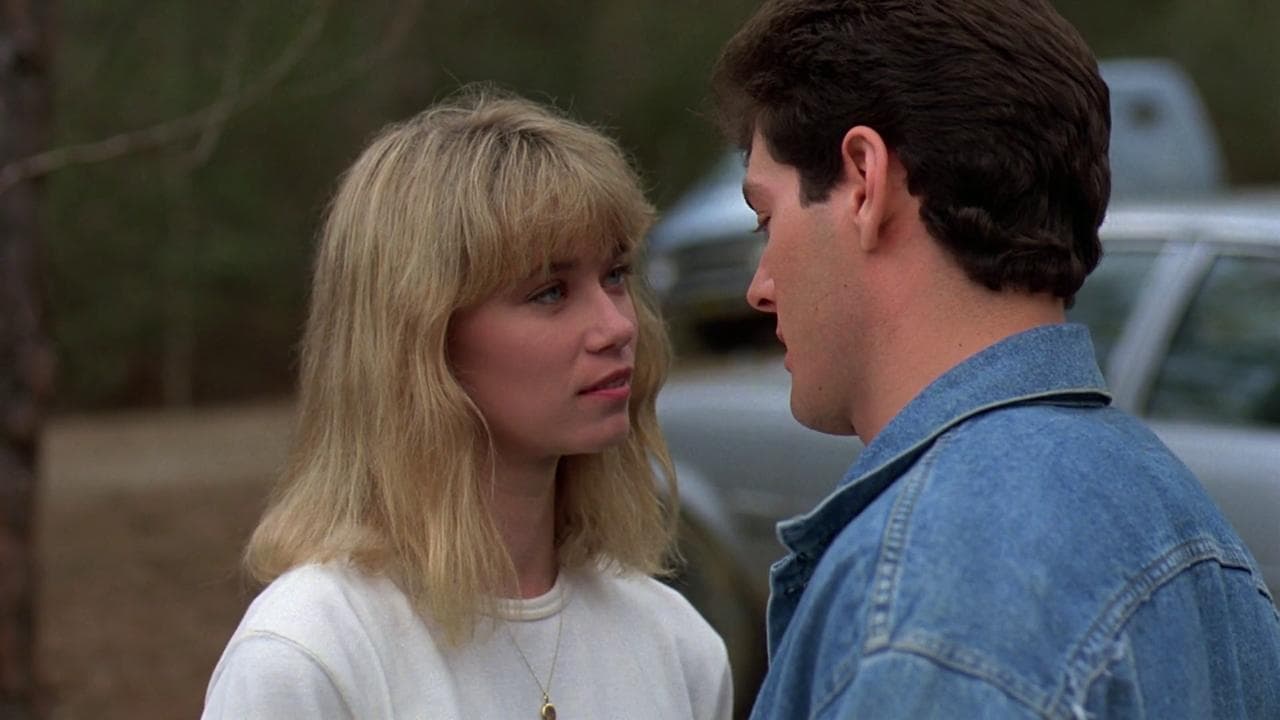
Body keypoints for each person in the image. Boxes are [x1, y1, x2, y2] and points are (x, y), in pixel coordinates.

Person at [711, 1, 1280, 717]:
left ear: (862, 180)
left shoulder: (934, 597)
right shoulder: (1182, 518)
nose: (759, 288)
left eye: (766, 220)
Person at [201, 89, 733, 720]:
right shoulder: (309, 658)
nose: (617, 326)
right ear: (421, 336)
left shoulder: (678, 647)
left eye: (615, 275)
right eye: (550, 292)